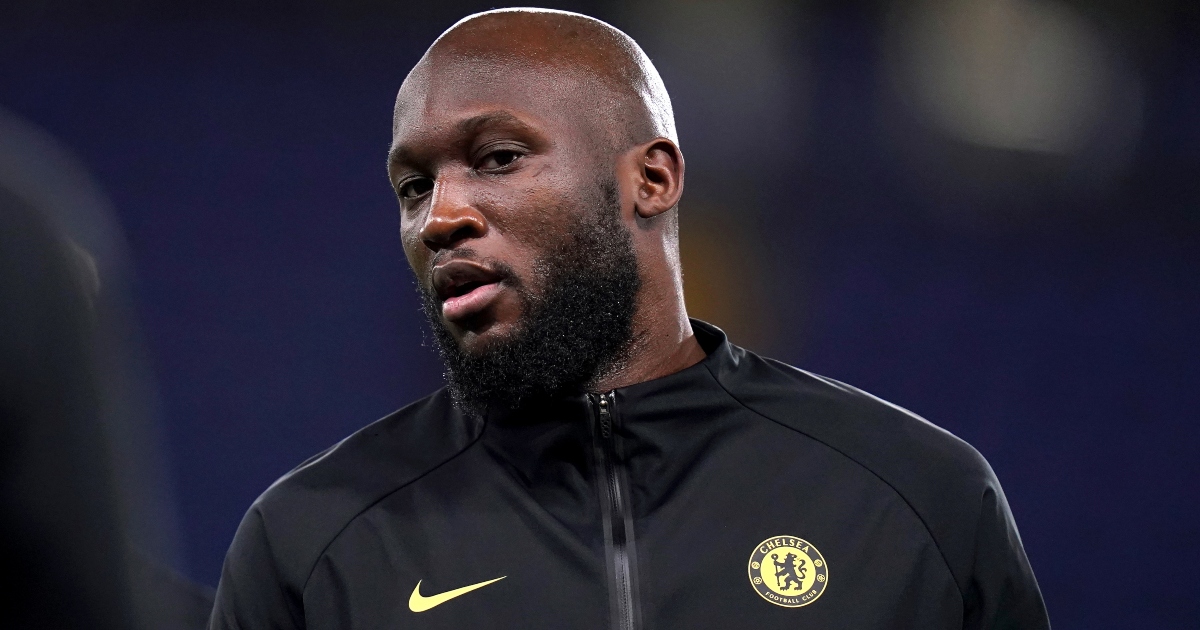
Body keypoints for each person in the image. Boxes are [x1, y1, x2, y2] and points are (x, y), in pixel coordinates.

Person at [209, 8, 1050, 629]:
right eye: (413, 187)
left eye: (498, 158)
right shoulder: (315, 542)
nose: (439, 218)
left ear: (651, 180)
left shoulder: (915, 501)